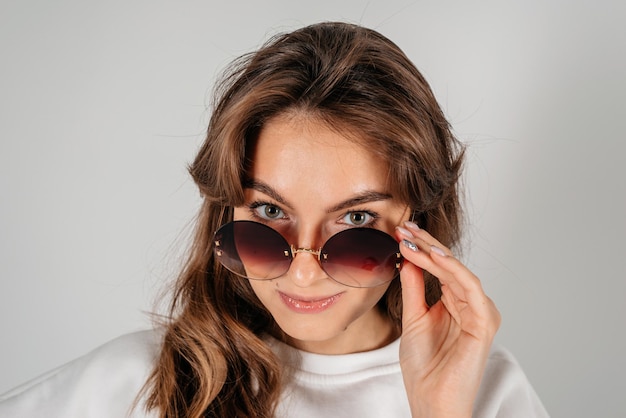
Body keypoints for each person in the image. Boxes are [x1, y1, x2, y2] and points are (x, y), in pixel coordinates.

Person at [0, 22, 548, 417]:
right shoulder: (135, 383)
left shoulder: (489, 393)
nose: (304, 273)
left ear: (415, 220)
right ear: (227, 207)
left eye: (355, 218)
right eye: (268, 212)